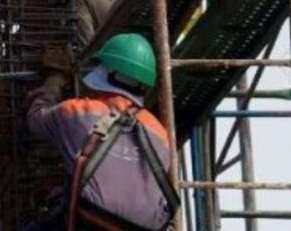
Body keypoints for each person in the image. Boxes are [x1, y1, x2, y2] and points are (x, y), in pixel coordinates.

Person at [25, 34, 178, 231]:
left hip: (93, 220)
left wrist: (54, 80)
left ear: (107, 71)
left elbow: (35, 118)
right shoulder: (161, 134)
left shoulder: (76, 111)